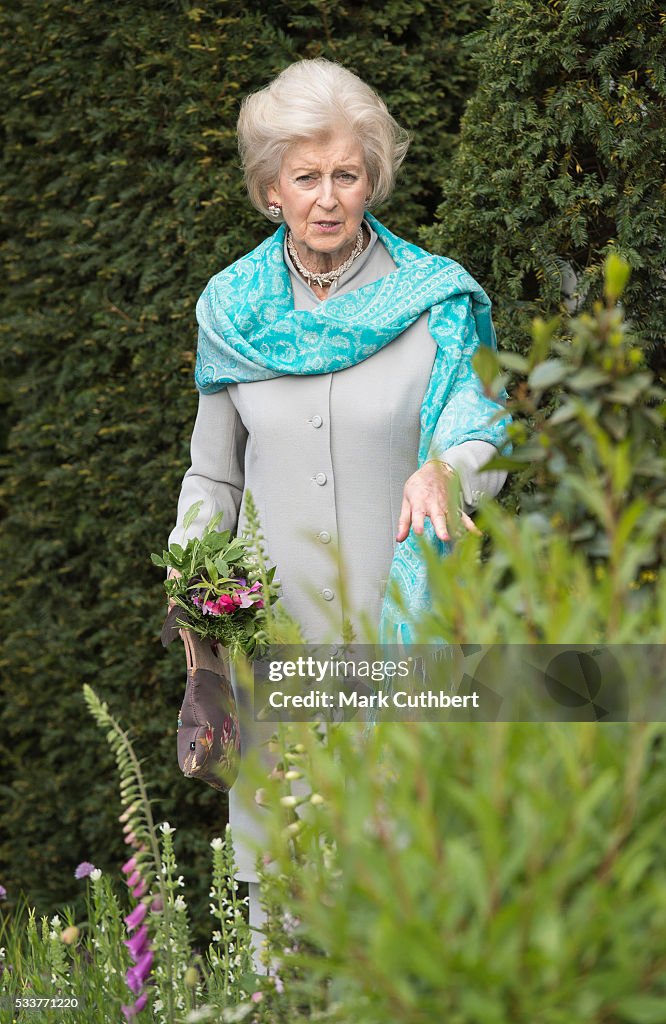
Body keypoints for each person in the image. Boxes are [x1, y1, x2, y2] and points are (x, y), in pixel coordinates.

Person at [168, 57, 510, 966]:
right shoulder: (231, 312)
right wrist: (195, 575)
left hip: (409, 639)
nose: (328, 197)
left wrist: (446, 469)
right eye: (306, 177)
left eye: (347, 175)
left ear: (374, 181)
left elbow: (484, 431)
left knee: (413, 910)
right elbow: (212, 479)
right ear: (271, 189)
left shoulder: (436, 299)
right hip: (274, 651)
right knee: (281, 919)